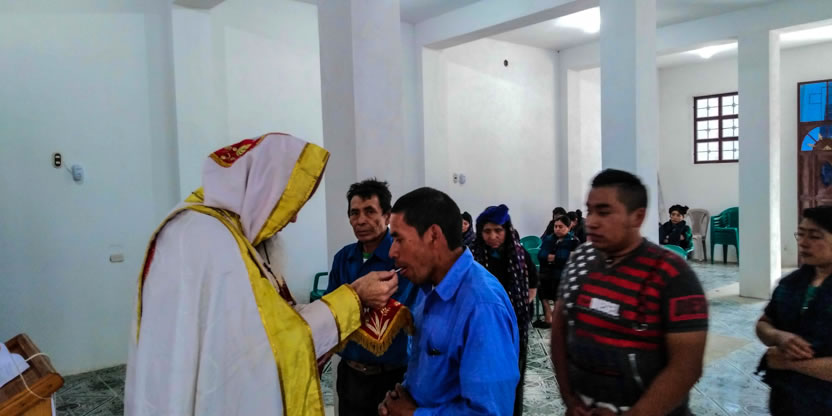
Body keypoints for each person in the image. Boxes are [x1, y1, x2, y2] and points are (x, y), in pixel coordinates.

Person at [126, 133, 398, 416]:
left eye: (370, 212)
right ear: (263, 190)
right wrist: (355, 297)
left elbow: (270, 325)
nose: (293, 218)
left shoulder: (226, 235)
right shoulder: (209, 240)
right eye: (290, 204)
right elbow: (262, 349)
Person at [551, 169, 708, 416]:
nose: (591, 222)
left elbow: (686, 367)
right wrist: (570, 399)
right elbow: (560, 331)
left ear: (637, 216)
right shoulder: (580, 260)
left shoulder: (672, 274)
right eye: (590, 211)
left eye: (604, 212)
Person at [379, 187, 520, 416]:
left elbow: (490, 412)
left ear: (433, 235)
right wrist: (400, 399)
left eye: (399, 239)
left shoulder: (482, 306)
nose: (392, 252)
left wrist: (414, 414)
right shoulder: (428, 290)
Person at [326, 179, 419, 416]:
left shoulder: (402, 258)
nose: (360, 220)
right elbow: (330, 311)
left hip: (393, 377)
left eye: (369, 211)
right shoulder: (343, 258)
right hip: (351, 375)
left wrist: (351, 305)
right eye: (354, 213)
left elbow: (399, 310)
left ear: (387, 216)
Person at [755, 205, 832, 415]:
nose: (803, 243)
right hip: (786, 398)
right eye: (801, 234)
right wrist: (778, 336)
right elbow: (764, 323)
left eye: (814, 236)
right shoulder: (792, 283)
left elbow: (781, 361)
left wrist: (791, 364)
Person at [470, 204, 539, 415]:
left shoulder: (520, 255)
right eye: (487, 231)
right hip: (482, 330)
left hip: (514, 328)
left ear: (507, 230)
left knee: (513, 377)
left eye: (498, 230)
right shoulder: (473, 257)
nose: (493, 236)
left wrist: (512, 310)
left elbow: (533, 286)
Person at [534, 215, 579, 329]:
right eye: (555, 226)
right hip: (546, 273)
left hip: (563, 274)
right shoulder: (549, 239)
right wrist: (559, 257)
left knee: (558, 290)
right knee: (539, 286)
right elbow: (541, 255)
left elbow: (571, 259)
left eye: (561, 227)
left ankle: (557, 318)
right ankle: (548, 315)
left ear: (568, 227)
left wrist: (553, 257)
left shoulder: (573, 241)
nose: (557, 229)